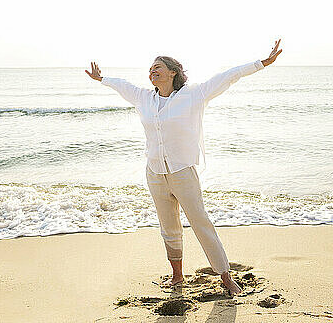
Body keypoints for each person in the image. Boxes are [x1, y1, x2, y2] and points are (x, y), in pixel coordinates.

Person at [85, 39, 283, 296]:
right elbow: (123, 86)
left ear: (172, 72)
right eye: (150, 68)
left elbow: (228, 76)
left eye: (157, 67)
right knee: (168, 225)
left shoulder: (193, 95)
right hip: (155, 173)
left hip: (182, 171)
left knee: (200, 221)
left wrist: (261, 63)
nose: (152, 71)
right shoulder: (145, 98)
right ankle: (177, 275)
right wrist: (102, 79)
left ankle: (225, 276)